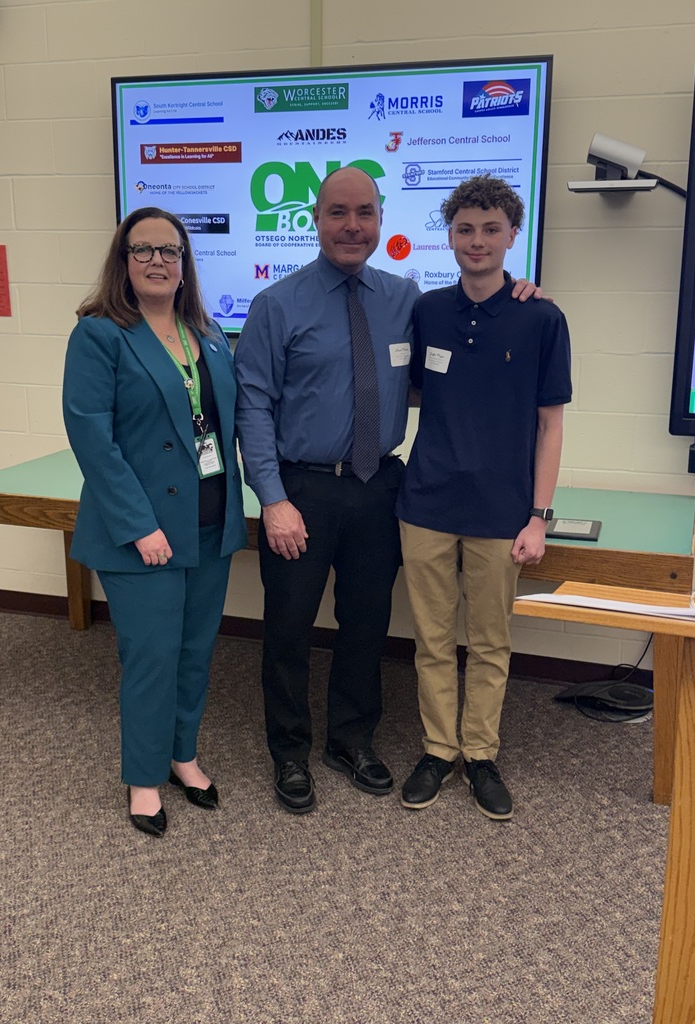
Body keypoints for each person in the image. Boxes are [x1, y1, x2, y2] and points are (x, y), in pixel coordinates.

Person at [235, 166, 541, 815]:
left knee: (367, 625)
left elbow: (470, 323)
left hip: (381, 488)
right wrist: (271, 497)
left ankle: (351, 739)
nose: (352, 226)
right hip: (301, 492)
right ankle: (290, 752)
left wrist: (523, 295)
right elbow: (252, 408)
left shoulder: (406, 299)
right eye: (338, 213)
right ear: (314, 219)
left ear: (381, 220)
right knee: (289, 627)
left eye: (364, 213)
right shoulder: (275, 304)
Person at [62, 206, 247, 837]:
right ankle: (144, 778)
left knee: (195, 651)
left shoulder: (209, 332)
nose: (158, 261)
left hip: (210, 520)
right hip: (143, 531)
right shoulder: (100, 333)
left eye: (170, 251)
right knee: (151, 655)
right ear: (123, 259)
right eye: (144, 250)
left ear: (185, 262)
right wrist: (139, 524)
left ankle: (181, 755)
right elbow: (91, 437)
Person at [397, 174, 572, 821]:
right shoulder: (429, 311)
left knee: (491, 640)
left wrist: (539, 515)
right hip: (427, 503)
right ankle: (440, 751)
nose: (477, 241)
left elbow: (552, 425)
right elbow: (416, 391)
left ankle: (482, 754)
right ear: (449, 234)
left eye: (490, 229)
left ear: (511, 235)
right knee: (434, 640)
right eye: (465, 229)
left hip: (503, 512)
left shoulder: (541, 318)